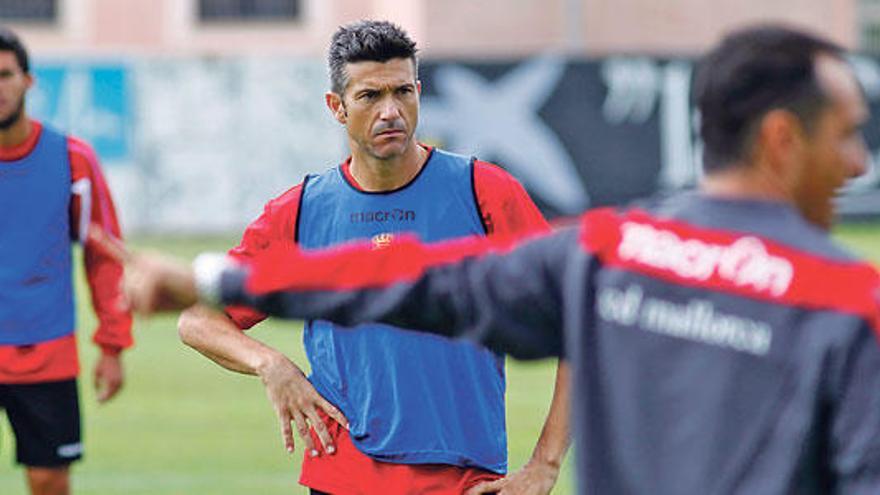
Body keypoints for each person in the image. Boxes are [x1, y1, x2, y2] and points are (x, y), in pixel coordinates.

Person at [103, 24, 880, 494]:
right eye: (849, 132)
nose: (859, 161)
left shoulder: (607, 248)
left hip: (466, 476)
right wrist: (247, 325)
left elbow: (417, 283)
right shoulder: (846, 298)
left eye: (403, 91)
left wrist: (214, 277)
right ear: (781, 137)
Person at [174, 20, 570, 495]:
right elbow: (198, 319)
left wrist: (545, 464)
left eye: (402, 92)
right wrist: (270, 365)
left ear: (419, 91)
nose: (391, 111)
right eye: (370, 96)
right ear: (336, 107)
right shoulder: (299, 212)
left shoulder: (484, 193)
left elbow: (578, 318)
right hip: (339, 477)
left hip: (464, 480)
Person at [0, 28, 132, 495]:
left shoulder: (72, 159)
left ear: (28, 81)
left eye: (5, 75)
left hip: (45, 354)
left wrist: (113, 345)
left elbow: (105, 255)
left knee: (48, 479)